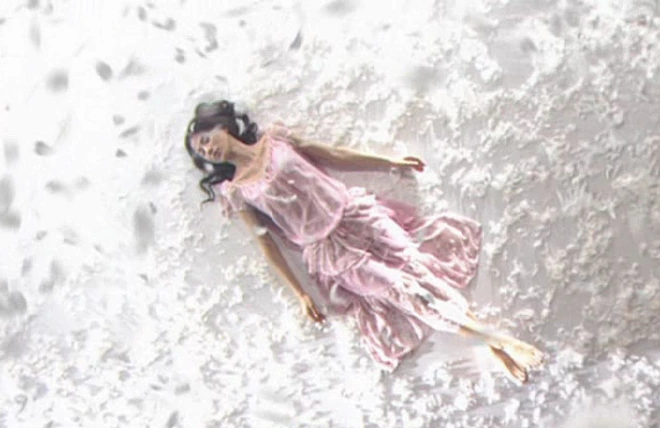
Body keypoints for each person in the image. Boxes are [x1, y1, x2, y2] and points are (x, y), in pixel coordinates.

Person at [184, 100, 544, 383]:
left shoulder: (276, 141)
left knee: (422, 276)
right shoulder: (236, 191)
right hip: (331, 252)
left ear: (221, 127)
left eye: (205, 140)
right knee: (405, 291)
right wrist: (300, 293)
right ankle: (502, 341)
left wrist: (388, 161)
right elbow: (266, 244)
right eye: (200, 152)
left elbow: (333, 155)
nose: (207, 150)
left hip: (357, 215)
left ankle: (493, 345)